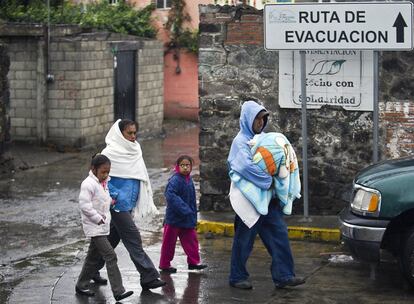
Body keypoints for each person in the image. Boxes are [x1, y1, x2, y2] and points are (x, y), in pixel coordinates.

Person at [227, 100, 305, 289]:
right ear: (247, 119)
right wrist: (270, 180)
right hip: (249, 200)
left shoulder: (264, 138)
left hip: (269, 200)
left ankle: (284, 275)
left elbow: (278, 156)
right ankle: (237, 277)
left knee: (279, 235)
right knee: (244, 240)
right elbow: (245, 167)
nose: (261, 123)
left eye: (263, 119)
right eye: (257, 119)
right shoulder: (240, 142)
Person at [96, 119, 166, 291]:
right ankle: (148, 276)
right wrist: (114, 197)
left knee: (111, 239)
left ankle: (91, 269)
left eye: (135, 133)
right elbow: (102, 180)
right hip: (117, 205)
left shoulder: (135, 150)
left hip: (129, 204)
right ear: (120, 134)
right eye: (129, 133)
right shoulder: (109, 153)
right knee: (133, 238)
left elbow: (138, 175)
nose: (133, 137)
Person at [75, 154, 133, 301]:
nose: (106, 175)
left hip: (101, 226)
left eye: (108, 172)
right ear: (93, 169)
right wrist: (98, 218)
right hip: (95, 227)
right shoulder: (88, 184)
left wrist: (111, 202)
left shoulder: (103, 182)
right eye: (103, 172)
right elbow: (85, 206)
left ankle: (81, 285)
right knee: (110, 255)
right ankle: (118, 291)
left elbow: (100, 200)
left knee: (92, 258)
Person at [159, 155, 207, 273]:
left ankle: (193, 262)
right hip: (174, 218)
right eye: (182, 165)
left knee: (191, 241)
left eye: (187, 165)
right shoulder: (175, 180)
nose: (185, 168)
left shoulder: (188, 179)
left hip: (187, 218)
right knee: (169, 243)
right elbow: (171, 196)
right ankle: (164, 265)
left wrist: (191, 215)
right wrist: (184, 209)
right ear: (177, 166)